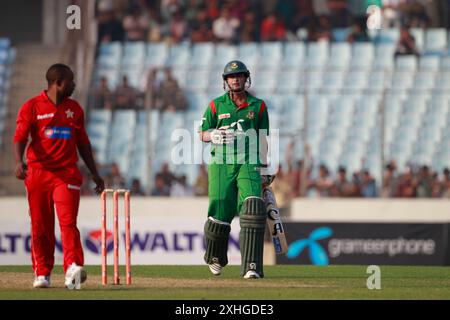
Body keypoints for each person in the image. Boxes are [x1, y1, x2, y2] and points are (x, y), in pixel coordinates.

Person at [13, 64, 105, 289]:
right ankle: (42, 272)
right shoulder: (31, 107)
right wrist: (18, 162)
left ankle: (72, 267)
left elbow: (83, 144)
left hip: (66, 174)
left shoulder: (75, 109)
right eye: (71, 81)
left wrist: (95, 174)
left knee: (67, 223)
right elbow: (20, 137)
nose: (74, 85)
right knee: (40, 225)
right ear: (59, 82)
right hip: (37, 173)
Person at [199, 60, 270, 279]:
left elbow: (263, 139)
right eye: (231, 76)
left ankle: (252, 266)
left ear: (246, 78)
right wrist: (213, 135)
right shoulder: (215, 105)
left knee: (252, 206)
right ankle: (215, 256)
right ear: (226, 81)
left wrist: (265, 168)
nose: (236, 79)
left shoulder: (258, 106)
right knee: (219, 210)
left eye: (239, 75)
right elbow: (202, 133)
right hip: (221, 163)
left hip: (249, 161)